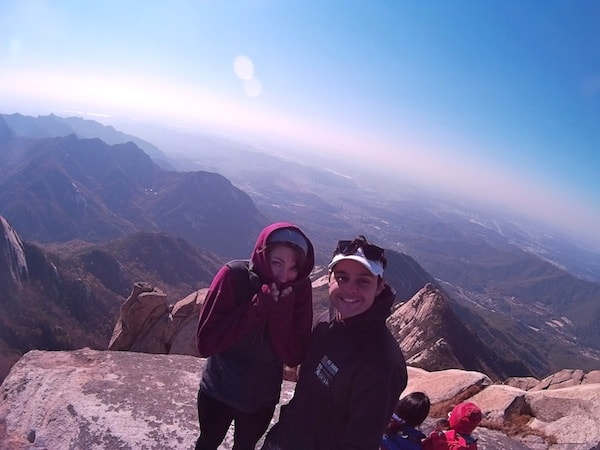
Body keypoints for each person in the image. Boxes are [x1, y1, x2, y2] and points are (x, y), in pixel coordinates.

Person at [261, 235, 408, 450]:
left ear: (379, 287)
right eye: (342, 277)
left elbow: (360, 443)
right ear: (330, 278)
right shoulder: (327, 320)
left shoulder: (382, 363)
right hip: (285, 437)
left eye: (363, 281)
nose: (350, 289)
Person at [194, 222, 315, 450]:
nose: (283, 276)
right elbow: (206, 343)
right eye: (277, 263)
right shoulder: (233, 276)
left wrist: (280, 314)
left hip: (261, 398)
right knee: (207, 443)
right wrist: (258, 307)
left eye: (293, 268)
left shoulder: (299, 289)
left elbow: (294, 356)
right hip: (219, 390)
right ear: (263, 255)